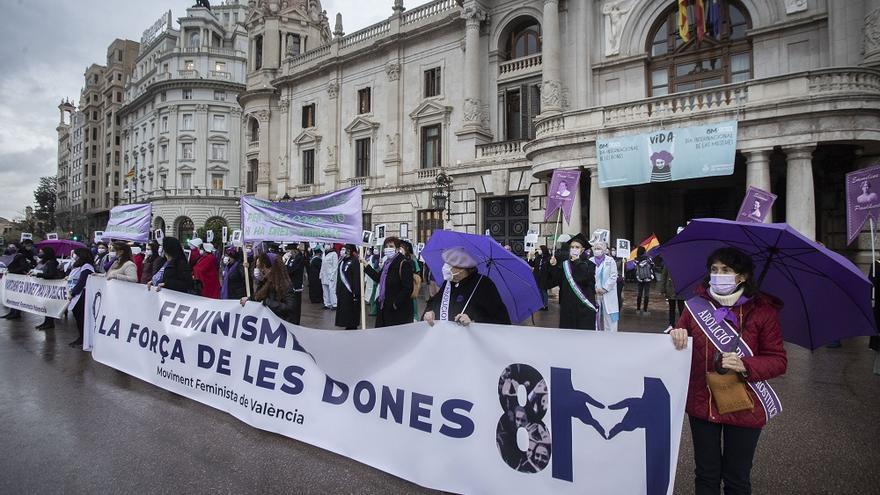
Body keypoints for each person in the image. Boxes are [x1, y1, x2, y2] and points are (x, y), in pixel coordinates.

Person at [670, 247, 787, 495]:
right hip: (703, 402)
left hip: (746, 405)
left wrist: (747, 365)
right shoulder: (694, 307)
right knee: (705, 475)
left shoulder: (763, 312)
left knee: (737, 479)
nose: (718, 275)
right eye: (714, 270)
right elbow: (678, 347)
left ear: (742, 276)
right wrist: (674, 335)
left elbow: (778, 360)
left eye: (726, 270)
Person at [423, 247, 510, 326]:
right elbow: (435, 303)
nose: (445, 268)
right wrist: (430, 312)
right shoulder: (448, 283)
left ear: (462, 268)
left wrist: (474, 321)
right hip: (448, 339)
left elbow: (501, 320)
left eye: (449, 265)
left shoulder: (484, 284)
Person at [548, 234, 597, 330]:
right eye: (572, 247)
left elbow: (584, 279)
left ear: (582, 250)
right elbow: (555, 280)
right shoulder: (565, 264)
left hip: (583, 307)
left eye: (577, 247)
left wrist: (577, 262)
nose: (574, 249)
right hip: (567, 305)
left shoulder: (590, 265)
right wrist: (553, 266)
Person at [363, 237, 413, 327]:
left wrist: (395, 304)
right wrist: (366, 266)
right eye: (386, 246)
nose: (388, 248)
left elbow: (408, 288)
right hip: (384, 306)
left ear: (397, 249)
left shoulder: (404, 263)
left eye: (391, 246)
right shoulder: (387, 263)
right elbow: (378, 278)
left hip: (397, 311)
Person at [240, 254, 300, 324]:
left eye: (262, 267)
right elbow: (258, 298)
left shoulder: (285, 285)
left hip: (280, 325)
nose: (260, 270)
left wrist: (267, 302)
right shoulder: (264, 282)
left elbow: (290, 307)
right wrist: (249, 299)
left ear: (271, 268)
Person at [66, 247, 95, 348]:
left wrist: (73, 293)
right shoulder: (79, 266)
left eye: (76, 254)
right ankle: (81, 337)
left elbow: (82, 282)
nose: (74, 256)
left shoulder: (87, 266)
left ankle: (84, 338)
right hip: (75, 294)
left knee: (81, 318)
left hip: (81, 295)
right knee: (78, 318)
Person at [30, 246, 64, 330]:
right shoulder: (47, 261)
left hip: (51, 286)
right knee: (46, 305)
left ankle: (50, 323)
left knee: (49, 305)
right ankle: (46, 322)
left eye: (42, 252)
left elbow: (50, 275)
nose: (40, 254)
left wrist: (38, 275)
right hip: (47, 286)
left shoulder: (51, 262)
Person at [2, 243, 36, 320]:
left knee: (17, 296)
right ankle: (11, 312)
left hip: (18, 278)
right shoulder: (9, 257)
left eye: (12, 247)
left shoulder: (20, 256)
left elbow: (23, 266)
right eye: (9, 247)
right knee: (11, 295)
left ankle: (16, 313)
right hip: (12, 278)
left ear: (17, 248)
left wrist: (13, 271)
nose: (10, 248)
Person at [590, 240, 619, 332]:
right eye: (595, 248)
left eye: (598, 248)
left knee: (610, 315)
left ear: (604, 250)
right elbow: (589, 276)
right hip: (595, 293)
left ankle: (611, 337)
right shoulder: (590, 261)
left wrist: (604, 288)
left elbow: (613, 276)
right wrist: (595, 289)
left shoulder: (610, 261)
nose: (596, 250)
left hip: (608, 293)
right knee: (595, 315)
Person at [335, 244, 362, 330]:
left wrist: (356, 293)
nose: (344, 251)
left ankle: (351, 327)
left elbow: (356, 278)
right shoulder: (343, 261)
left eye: (346, 250)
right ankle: (347, 325)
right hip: (342, 291)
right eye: (343, 249)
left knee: (351, 314)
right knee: (344, 313)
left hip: (351, 293)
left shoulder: (354, 261)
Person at [283, 243, 305, 325]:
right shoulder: (290, 258)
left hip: (296, 285)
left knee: (296, 305)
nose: (288, 252)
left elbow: (291, 270)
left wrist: (285, 265)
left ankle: (296, 322)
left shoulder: (299, 258)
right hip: (289, 284)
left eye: (289, 251)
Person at [400, 240, 422, 322]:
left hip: (411, 286)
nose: (400, 249)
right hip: (400, 287)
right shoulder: (397, 258)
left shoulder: (412, 258)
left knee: (412, 304)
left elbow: (417, 270)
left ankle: (414, 319)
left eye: (402, 247)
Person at [527, 245, 552, 310]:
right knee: (539, 291)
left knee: (544, 291)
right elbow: (533, 264)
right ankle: (541, 305)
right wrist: (530, 258)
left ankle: (545, 305)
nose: (538, 250)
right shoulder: (538, 257)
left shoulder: (548, 257)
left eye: (539, 249)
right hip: (537, 276)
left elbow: (550, 266)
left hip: (544, 277)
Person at [662, 262, 685, 331]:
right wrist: (663, 289)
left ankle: (682, 325)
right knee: (672, 308)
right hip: (671, 288)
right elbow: (664, 276)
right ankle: (671, 324)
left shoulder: (684, 263)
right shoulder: (668, 262)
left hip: (680, 289)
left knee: (681, 308)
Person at [634, 246, 655, 314]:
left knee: (639, 293)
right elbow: (653, 265)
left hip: (639, 278)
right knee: (646, 294)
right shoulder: (648, 258)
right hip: (647, 278)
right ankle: (645, 310)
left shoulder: (636, 260)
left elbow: (635, 269)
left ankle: (638, 309)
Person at [320, 244, 338, 309]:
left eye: (328, 244)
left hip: (331, 275)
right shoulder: (324, 253)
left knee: (332, 290)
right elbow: (322, 265)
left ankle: (334, 304)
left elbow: (335, 266)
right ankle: (327, 303)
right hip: (324, 274)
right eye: (325, 244)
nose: (326, 246)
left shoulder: (334, 254)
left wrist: (332, 275)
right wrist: (320, 274)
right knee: (325, 290)